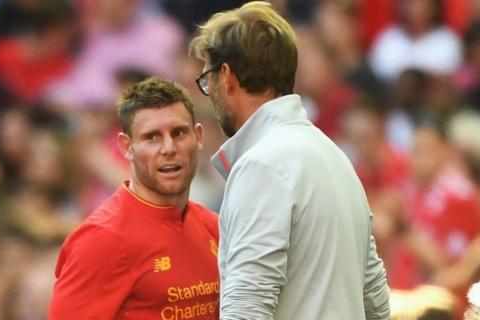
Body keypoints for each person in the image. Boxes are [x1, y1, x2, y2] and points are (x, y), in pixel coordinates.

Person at [189, 2, 390, 319]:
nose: (209, 92)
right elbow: (376, 304)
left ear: (226, 76)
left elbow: (246, 308)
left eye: (207, 80)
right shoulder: (335, 156)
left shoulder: (261, 165)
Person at [48, 77, 220, 319]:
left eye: (179, 133)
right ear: (126, 146)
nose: (169, 148)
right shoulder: (101, 239)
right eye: (152, 137)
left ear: (198, 137)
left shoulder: (214, 226)